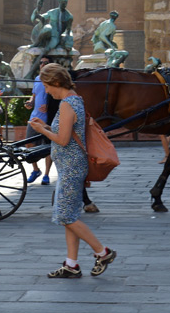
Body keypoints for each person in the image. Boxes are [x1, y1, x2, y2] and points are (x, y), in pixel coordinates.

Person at [27, 63, 116, 278]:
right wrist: (48, 127)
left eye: (47, 86)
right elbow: (66, 132)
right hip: (71, 165)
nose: (46, 91)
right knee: (70, 216)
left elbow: (63, 140)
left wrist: (41, 130)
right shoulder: (75, 100)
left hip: (71, 167)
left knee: (66, 216)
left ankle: (102, 252)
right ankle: (71, 265)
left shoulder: (67, 104)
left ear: (56, 83)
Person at [24, 56, 54, 184]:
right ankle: (36, 170)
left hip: (48, 119)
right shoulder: (37, 79)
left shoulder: (54, 79)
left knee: (48, 147)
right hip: (35, 117)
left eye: (46, 62)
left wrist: (49, 105)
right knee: (28, 144)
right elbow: (34, 95)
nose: (42, 64)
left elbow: (57, 96)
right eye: (41, 62)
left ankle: (46, 174)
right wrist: (30, 102)